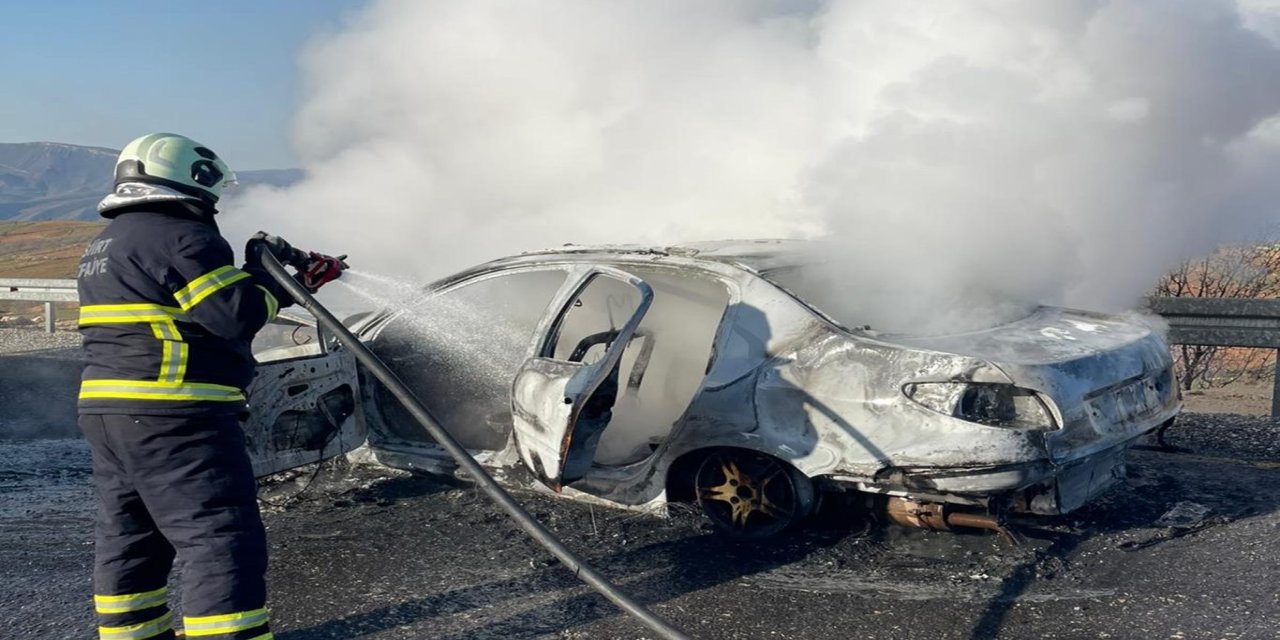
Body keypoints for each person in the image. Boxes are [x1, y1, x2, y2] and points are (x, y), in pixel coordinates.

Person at [76, 133, 346, 640]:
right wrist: (266, 275)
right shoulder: (182, 236)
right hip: (176, 413)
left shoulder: (107, 242)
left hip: (108, 411)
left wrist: (270, 280)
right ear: (191, 177)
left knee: (131, 534)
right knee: (219, 534)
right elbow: (234, 316)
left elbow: (193, 308)